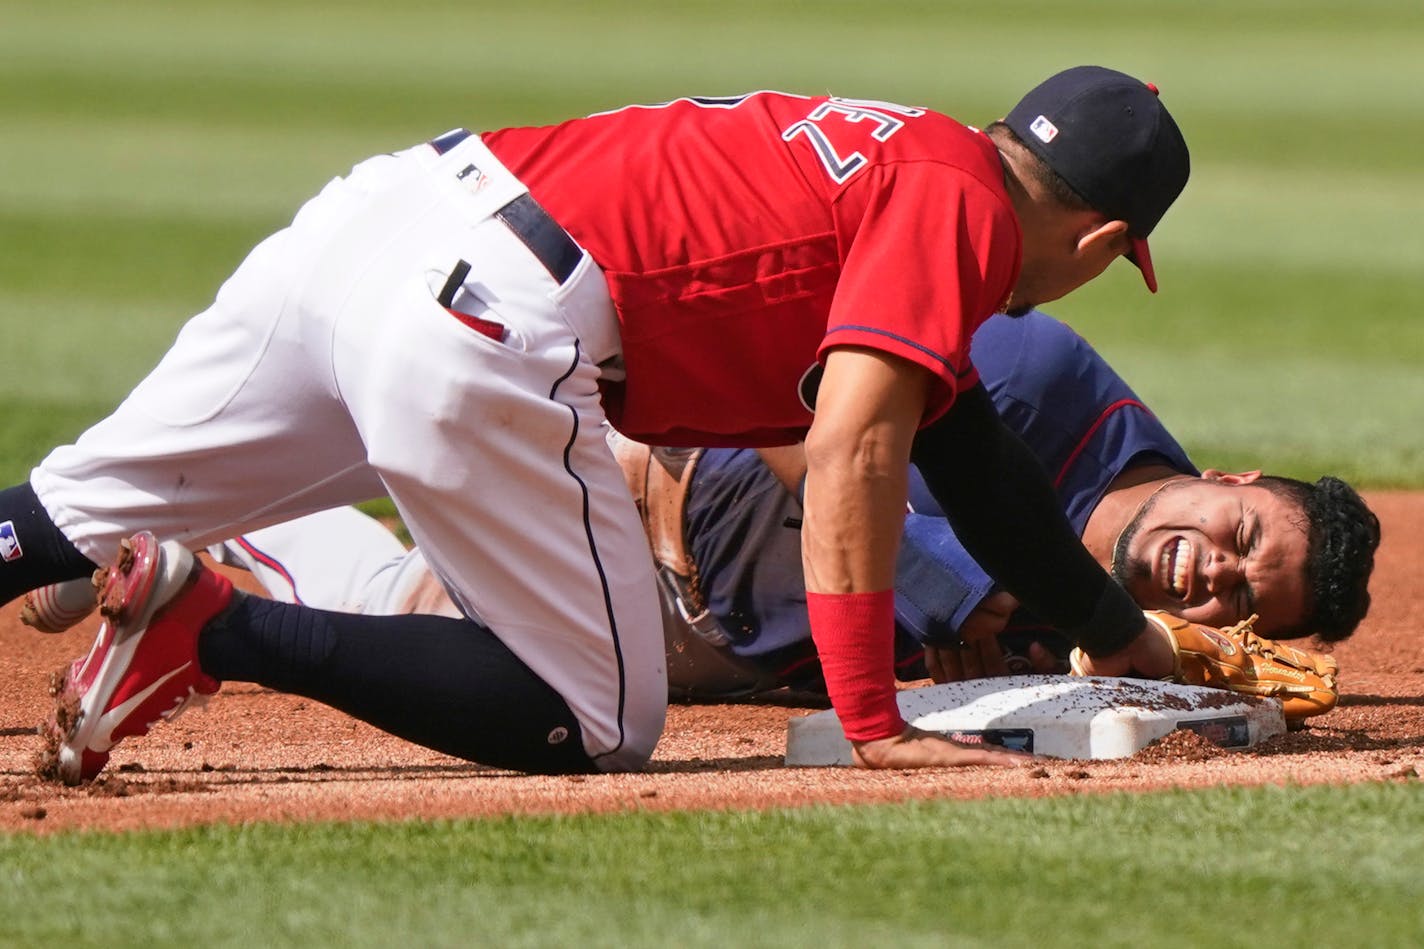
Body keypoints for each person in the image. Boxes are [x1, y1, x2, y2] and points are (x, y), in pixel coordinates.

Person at [0, 66, 1193, 783]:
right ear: (1100, 244)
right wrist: (871, 720)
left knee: (58, 515)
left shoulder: (912, 154)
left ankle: (178, 592)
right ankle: (217, 629)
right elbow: (855, 446)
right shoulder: (962, 215)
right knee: (598, 719)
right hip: (490, 320)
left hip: (380, 219)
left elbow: (960, 449)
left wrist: (1114, 630)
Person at [27, 311, 1378, 702]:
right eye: (1252, 543)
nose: (1221, 578)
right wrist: (978, 606)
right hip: (679, 472)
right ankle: (176, 487)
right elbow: (809, 442)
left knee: (452, 630)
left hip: (749, 640)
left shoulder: (1141, 619)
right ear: (1239, 480)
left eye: (1250, 600)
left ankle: (186, 561)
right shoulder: (1039, 384)